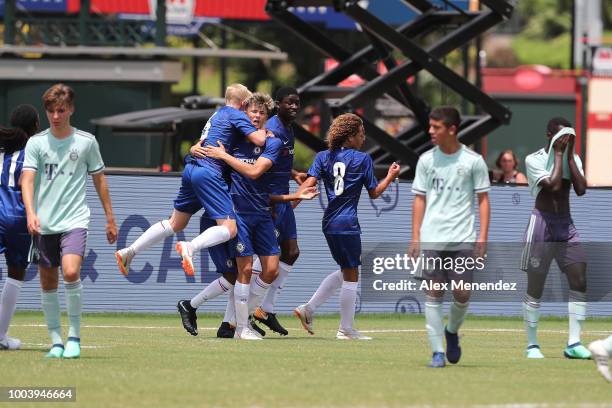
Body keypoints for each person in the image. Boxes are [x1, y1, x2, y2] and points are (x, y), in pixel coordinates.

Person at [176, 93, 317, 340]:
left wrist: (293, 195)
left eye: (262, 113)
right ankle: (240, 326)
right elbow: (199, 152)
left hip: (261, 213)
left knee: (270, 269)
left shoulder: (271, 143)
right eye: (253, 112)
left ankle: (244, 318)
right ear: (245, 113)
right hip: (236, 214)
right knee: (244, 270)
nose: (257, 116)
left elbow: (254, 172)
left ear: (266, 117)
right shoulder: (233, 139)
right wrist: (195, 148)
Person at [115, 84, 268, 276]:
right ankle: (191, 247)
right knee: (229, 228)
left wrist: (193, 148)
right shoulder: (236, 114)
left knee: (176, 223)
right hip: (209, 172)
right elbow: (261, 140)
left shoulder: (217, 115)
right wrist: (267, 130)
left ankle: (129, 251)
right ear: (244, 103)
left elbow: (202, 142)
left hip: (191, 169)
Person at [21, 84, 118, 358]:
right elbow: (27, 180)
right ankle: (56, 342)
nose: (55, 115)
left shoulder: (86, 142)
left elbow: (100, 180)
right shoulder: (36, 143)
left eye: (60, 110)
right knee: (47, 282)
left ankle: (74, 336)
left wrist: (110, 218)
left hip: (75, 219)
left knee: (72, 271)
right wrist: (31, 212)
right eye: (50, 110)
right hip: (44, 222)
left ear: (71, 109)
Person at [294, 113, 400, 340]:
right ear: (350, 137)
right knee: (351, 275)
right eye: (361, 134)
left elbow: (306, 187)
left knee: (346, 270)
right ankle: (345, 329)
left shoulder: (323, 157)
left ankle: (309, 309)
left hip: (329, 222)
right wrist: (390, 176)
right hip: (347, 223)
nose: (363, 139)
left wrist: (290, 203)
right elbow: (374, 193)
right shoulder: (363, 159)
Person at [408, 106, 491, 368]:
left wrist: (483, 236)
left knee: (463, 292)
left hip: (463, 238)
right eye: (430, 126)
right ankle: (437, 353)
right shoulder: (426, 160)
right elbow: (419, 199)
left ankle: (452, 331)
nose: (430, 131)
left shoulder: (473, 161)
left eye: (436, 127)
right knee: (434, 292)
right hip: (432, 237)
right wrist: (416, 236)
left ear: (452, 129)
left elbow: (484, 200)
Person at [521, 117, 589, 359]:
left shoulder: (573, 158)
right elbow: (551, 184)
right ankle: (532, 344)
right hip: (541, 224)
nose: (565, 141)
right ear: (549, 136)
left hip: (565, 226)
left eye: (569, 137)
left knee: (579, 280)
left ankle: (573, 343)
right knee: (535, 286)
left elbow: (581, 189)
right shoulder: (534, 159)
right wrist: (559, 155)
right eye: (561, 137)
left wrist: (570, 156)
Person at [252, 87, 307, 336]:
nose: (295, 107)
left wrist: (294, 173)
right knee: (265, 260)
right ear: (278, 104)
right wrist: (271, 202)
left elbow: (281, 158)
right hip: (272, 200)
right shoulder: (271, 127)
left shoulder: (288, 128)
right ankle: (246, 310)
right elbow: (262, 161)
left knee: (292, 252)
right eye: (290, 103)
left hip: (284, 197)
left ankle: (266, 310)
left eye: (297, 103)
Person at [0, 104, 40, 350]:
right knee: (15, 273)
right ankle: (1, 336)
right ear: (35, 126)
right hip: (17, 216)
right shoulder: (34, 152)